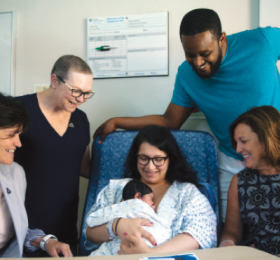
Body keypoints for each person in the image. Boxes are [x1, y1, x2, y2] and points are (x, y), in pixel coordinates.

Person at [93, 8, 280, 222]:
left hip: (276, 151)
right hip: (232, 159)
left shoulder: (263, 41)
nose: (198, 62)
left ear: (222, 39)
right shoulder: (185, 75)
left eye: (205, 53)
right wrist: (117, 121)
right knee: (232, 227)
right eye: (190, 55)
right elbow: (170, 121)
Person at [84, 125, 217, 255]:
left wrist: (150, 254)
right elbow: (89, 232)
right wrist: (116, 226)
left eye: (158, 159)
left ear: (170, 159)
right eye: (144, 158)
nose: (150, 166)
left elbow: (201, 233)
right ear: (135, 157)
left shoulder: (187, 192)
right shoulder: (116, 189)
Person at [14, 55, 94, 255]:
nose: (81, 99)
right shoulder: (18, 110)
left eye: (87, 93)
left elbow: (84, 168)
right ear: (54, 81)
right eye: (75, 91)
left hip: (65, 232)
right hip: (23, 232)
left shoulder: (81, 119)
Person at [0, 93, 72, 257]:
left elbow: (18, 231)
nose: (18, 143)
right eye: (12, 135)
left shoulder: (14, 173)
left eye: (19, 134)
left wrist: (46, 241)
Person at [220, 106, 280, 256]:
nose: (238, 149)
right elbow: (231, 232)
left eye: (244, 141)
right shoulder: (240, 182)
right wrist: (227, 243)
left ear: (266, 138)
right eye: (236, 143)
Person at [87, 179, 174, 256]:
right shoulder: (131, 205)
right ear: (138, 196)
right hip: (127, 245)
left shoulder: (119, 207)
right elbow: (159, 223)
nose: (152, 203)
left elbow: (95, 218)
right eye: (150, 199)